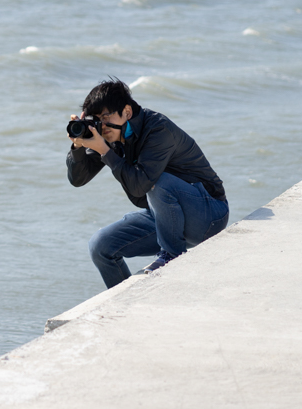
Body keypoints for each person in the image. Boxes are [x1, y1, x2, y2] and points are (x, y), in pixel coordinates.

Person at [67, 78, 229, 288]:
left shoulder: (157, 129)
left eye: (106, 117)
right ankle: (124, 304)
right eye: (96, 119)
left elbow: (140, 185)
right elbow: (78, 179)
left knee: (157, 180)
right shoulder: (110, 136)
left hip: (208, 216)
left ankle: (172, 254)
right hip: (166, 217)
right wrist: (78, 147)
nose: (102, 125)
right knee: (100, 246)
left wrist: (105, 151)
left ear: (126, 112)